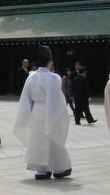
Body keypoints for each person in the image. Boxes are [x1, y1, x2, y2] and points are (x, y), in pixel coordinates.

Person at [14, 45, 72, 180]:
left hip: (36, 111)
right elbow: (57, 98)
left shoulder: (31, 77)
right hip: (50, 109)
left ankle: (41, 171)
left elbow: (25, 98)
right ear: (50, 61)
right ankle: (59, 167)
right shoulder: (53, 78)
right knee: (54, 139)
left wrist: (27, 114)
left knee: (37, 139)